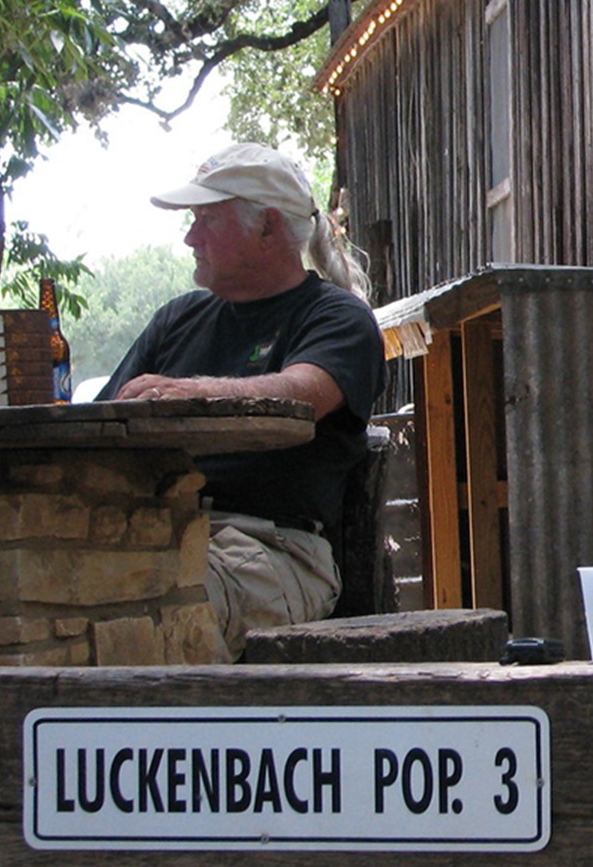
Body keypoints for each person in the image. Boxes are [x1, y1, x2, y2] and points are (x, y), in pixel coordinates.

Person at [100, 142, 386, 660]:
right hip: (160, 537)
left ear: (269, 228)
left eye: (206, 220)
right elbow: (101, 425)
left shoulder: (337, 319)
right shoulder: (176, 319)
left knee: (157, 611)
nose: (190, 237)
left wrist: (190, 393)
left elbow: (300, 393)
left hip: (272, 551)